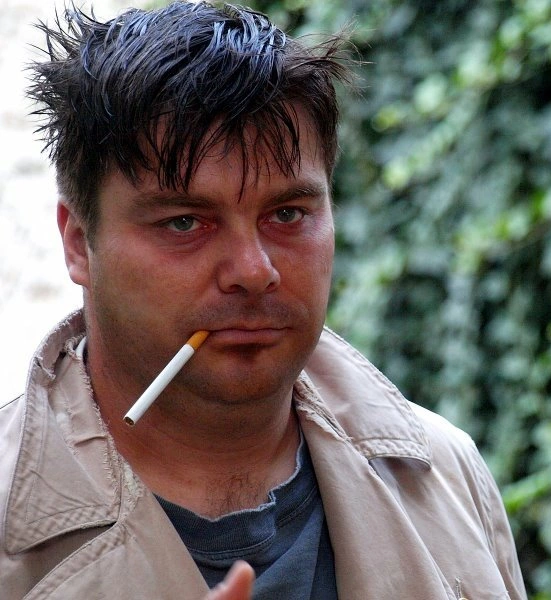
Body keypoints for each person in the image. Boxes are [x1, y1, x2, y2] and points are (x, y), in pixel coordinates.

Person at [0, 2, 527, 599]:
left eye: (287, 214)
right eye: (184, 223)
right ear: (78, 242)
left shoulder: (445, 475)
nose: (254, 271)